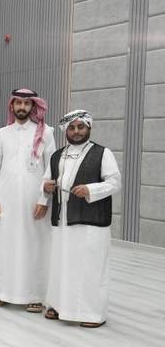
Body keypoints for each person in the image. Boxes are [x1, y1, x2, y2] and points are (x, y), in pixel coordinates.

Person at [42, 110, 121, 328]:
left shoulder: (102, 153)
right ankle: (58, 306)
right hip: (62, 221)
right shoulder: (57, 155)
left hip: (91, 221)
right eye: (72, 128)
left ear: (88, 128)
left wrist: (90, 189)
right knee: (61, 265)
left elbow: (115, 182)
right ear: (65, 131)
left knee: (90, 267)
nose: (76, 131)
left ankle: (93, 314)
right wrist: (46, 187)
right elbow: (46, 181)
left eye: (80, 127)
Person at [0, 88, 56, 312]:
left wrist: (44, 200)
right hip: (5, 200)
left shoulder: (46, 133)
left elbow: (51, 169)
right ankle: (0, 292)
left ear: (33, 106)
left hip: (34, 201)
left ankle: (35, 295)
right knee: (4, 245)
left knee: (35, 246)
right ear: (12, 106)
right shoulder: (2, 133)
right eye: (18, 103)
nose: (22, 107)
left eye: (27, 103)